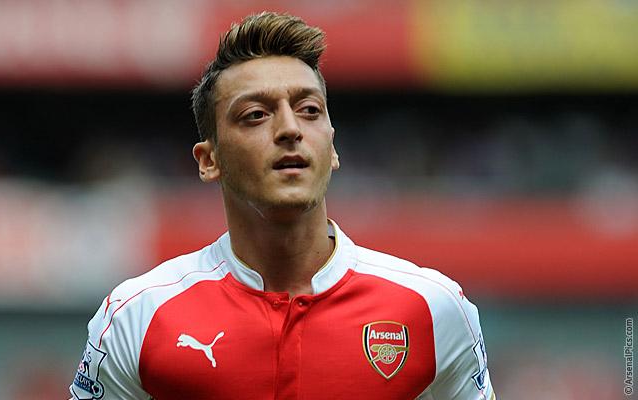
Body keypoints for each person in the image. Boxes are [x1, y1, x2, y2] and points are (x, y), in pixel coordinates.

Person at [69, 11, 495, 400]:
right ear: (209, 160)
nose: (290, 129)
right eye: (256, 114)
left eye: (309, 110)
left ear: (332, 148)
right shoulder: (138, 316)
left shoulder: (432, 307)